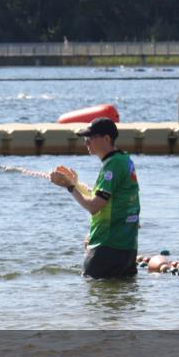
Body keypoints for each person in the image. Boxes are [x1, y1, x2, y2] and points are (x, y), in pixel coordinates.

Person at [50, 117, 140, 280]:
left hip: (106, 249)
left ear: (106, 139)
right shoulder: (124, 160)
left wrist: (70, 187)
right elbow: (110, 198)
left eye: (91, 138)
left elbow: (94, 206)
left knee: (95, 301)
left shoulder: (111, 166)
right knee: (122, 301)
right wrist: (76, 184)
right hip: (127, 250)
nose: (86, 143)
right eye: (85, 139)